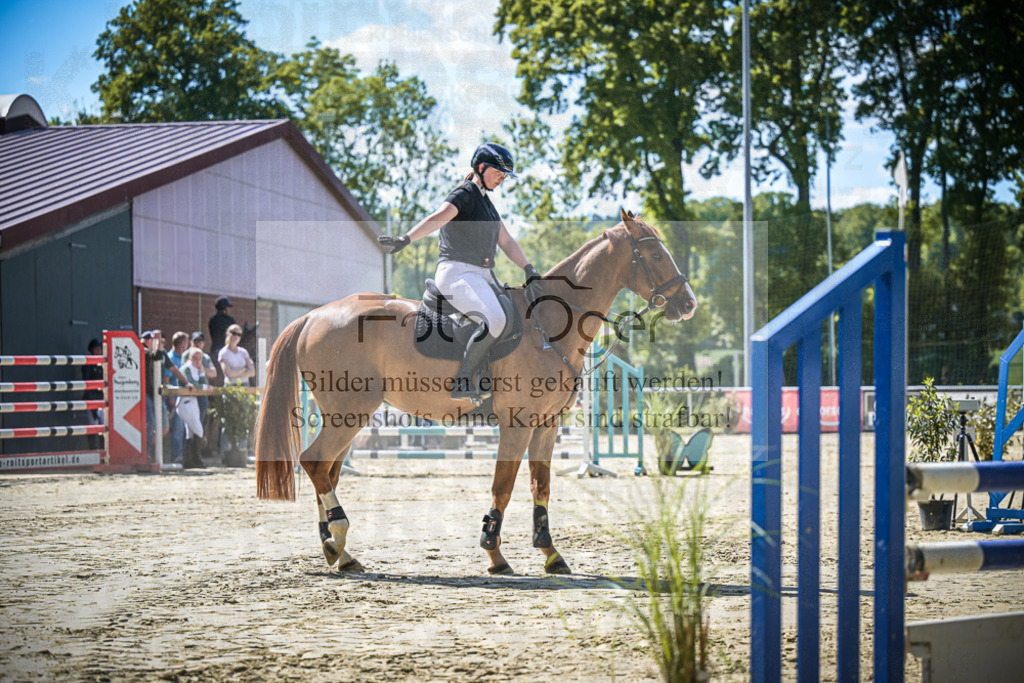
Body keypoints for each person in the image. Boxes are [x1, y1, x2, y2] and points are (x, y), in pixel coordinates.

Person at [377, 142, 540, 402]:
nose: (502, 178)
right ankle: (463, 379)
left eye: (505, 175)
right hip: (457, 273)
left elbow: (507, 241)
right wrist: (407, 238)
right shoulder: (465, 193)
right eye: (498, 172)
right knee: (495, 320)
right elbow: (438, 217)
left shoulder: (488, 205)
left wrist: (529, 269)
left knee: (513, 314)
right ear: (481, 167)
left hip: (483, 275)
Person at [178, 347, 208, 468]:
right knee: (198, 429)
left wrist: (202, 371)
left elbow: (203, 381)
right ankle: (195, 458)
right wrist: (204, 387)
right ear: (190, 358)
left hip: (194, 401)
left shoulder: (197, 369)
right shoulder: (186, 369)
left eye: (199, 359)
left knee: (190, 433)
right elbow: (191, 383)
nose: (197, 361)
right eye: (194, 358)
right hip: (186, 401)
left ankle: (192, 459)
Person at [81, 338, 104, 450]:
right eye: (96, 349)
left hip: (102, 400)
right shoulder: (87, 364)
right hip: (91, 399)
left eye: (100, 349)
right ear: (91, 350)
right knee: (92, 425)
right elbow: (86, 384)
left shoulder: (103, 364)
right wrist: (92, 403)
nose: (99, 351)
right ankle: (93, 451)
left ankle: (104, 450)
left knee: (104, 426)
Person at [208, 296, 236, 383]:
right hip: (227, 351)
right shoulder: (230, 320)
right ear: (225, 308)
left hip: (214, 351)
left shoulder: (212, 320)